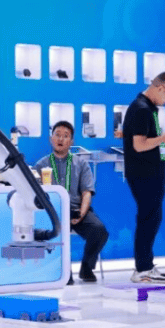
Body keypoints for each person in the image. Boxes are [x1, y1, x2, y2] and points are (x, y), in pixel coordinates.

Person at [122, 71, 165, 284]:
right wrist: (163, 138)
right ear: (161, 88)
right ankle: (143, 267)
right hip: (143, 174)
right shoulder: (141, 109)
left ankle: (145, 264)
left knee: (152, 218)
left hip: (151, 173)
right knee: (148, 219)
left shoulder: (148, 109)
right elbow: (139, 145)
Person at [34, 121, 108, 284]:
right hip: (53, 213)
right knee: (56, 233)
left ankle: (86, 268)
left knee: (99, 230)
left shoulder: (81, 163)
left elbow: (87, 192)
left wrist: (81, 214)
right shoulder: (41, 165)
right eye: (57, 135)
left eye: (66, 136)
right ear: (51, 139)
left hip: (76, 209)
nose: (61, 139)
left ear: (71, 141)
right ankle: (63, 272)